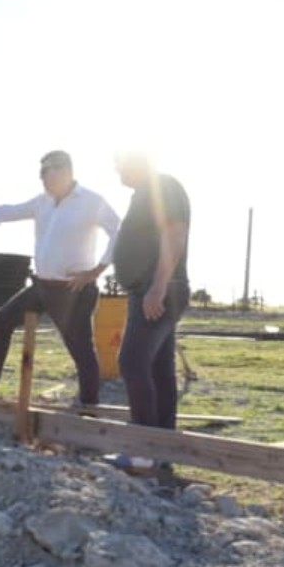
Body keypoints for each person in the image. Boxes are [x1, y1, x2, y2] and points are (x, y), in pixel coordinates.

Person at [0, 150, 122, 405]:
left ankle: (88, 405)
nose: (42, 179)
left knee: (81, 349)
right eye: (41, 173)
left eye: (46, 173)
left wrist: (96, 271)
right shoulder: (42, 202)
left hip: (74, 291)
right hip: (42, 287)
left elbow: (118, 231)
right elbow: (8, 211)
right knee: (1, 319)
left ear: (65, 172)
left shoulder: (92, 201)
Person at [106, 151, 191, 472]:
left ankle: (142, 452)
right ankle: (162, 450)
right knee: (158, 369)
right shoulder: (144, 194)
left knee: (131, 361)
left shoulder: (162, 187)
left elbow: (175, 233)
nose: (117, 171)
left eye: (120, 164)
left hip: (157, 290)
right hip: (149, 290)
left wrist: (158, 286)